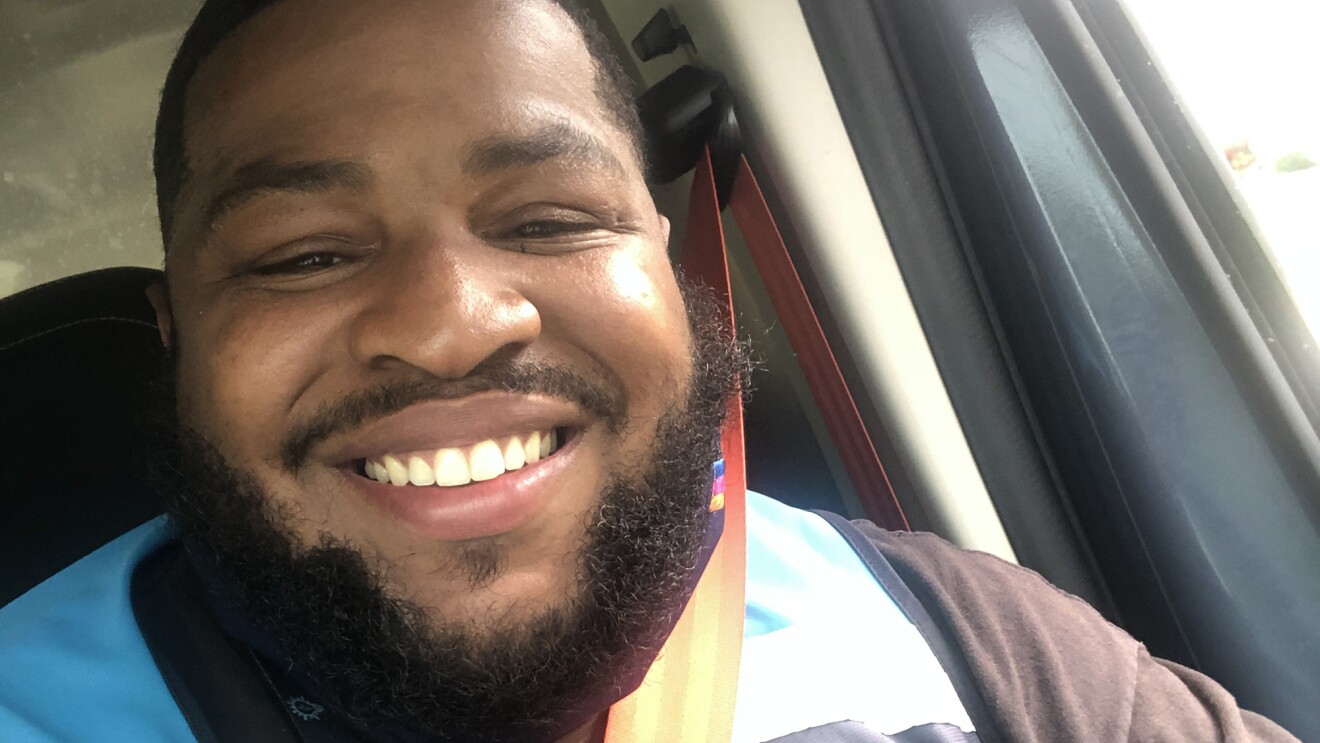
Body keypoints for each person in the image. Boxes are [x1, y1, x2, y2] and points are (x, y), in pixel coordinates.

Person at [0, 1, 1300, 741]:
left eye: (553, 218)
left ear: (666, 263)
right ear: (174, 337)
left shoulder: (938, 636)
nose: (452, 324)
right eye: (303, 253)